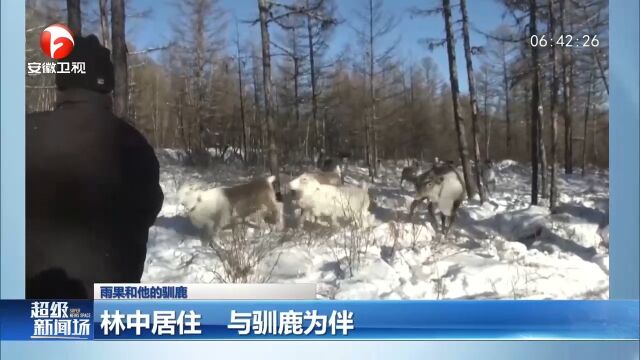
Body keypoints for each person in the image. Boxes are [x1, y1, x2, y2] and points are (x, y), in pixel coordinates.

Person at [26, 35, 164, 299]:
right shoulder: (135, 147)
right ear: (107, 86)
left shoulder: (18, 135)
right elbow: (148, 209)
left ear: (61, 84)